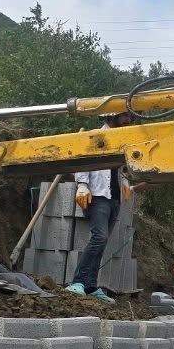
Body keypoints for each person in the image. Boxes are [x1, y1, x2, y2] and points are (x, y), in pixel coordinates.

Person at [66, 112, 133, 303]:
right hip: (97, 195)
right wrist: (82, 184)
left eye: (130, 116)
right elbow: (82, 161)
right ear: (112, 116)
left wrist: (125, 180)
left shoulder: (123, 139)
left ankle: (90, 285)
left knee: (102, 243)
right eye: (124, 116)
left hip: (114, 198)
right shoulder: (95, 136)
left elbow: (121, 167)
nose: (128, 120)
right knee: (99, 237)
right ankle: (77, 281)